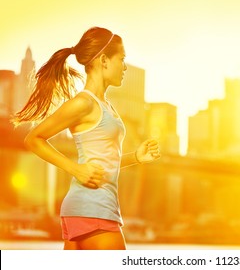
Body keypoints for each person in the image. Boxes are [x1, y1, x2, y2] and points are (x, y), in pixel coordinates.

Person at [12, 27, 161, 250]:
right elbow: (34, 138)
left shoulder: (106, 106)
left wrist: (136, 157)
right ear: (104, 60)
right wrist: (75, 169)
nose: (125, 66)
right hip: (93, 209)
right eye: (121, 59)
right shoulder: (84, 103)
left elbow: (104, 162)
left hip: (88, 208)